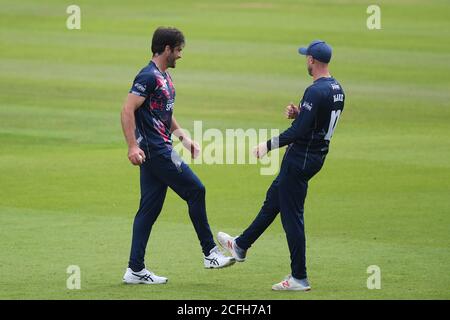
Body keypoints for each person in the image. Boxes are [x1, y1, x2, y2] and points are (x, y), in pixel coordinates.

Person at [218, 40, 345, 291]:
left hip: (300, 159)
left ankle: (299, 277)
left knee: (292, 219)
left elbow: (298, 131)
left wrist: (268, 145)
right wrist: (301, 113)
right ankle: (241, 245)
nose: (305, 62)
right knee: (273, 200)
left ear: (312, 60)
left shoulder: (315, 90)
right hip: (315, 156)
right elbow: (315, 122)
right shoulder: (337, 88)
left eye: (306, 57)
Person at [121, 27, 235, 285]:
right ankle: (210, 253)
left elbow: (164, 111)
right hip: (157, 150)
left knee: (148, 210)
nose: (180, 55)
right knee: (196, 190)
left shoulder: (164, 77)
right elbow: (127, 110)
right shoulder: (148, 76)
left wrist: (184, 137)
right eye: (179, 50)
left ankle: (135, 269)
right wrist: (132, 146)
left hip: (160, 148)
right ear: (167, 48)